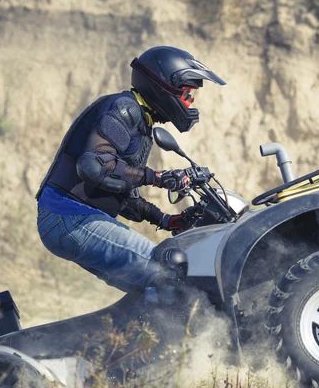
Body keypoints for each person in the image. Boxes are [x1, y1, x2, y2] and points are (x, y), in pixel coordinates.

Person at [35, 46, 225, 293]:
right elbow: (94, 166)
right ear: (164, 86)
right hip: (69, 217)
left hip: (69, 219)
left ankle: (139, 333)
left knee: (148, 292)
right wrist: (157, 178)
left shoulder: (140, 122)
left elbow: (120, 190)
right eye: (187, 94)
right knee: (168, 270)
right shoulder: (124, 109)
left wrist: (168, 220)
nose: (190, 103)